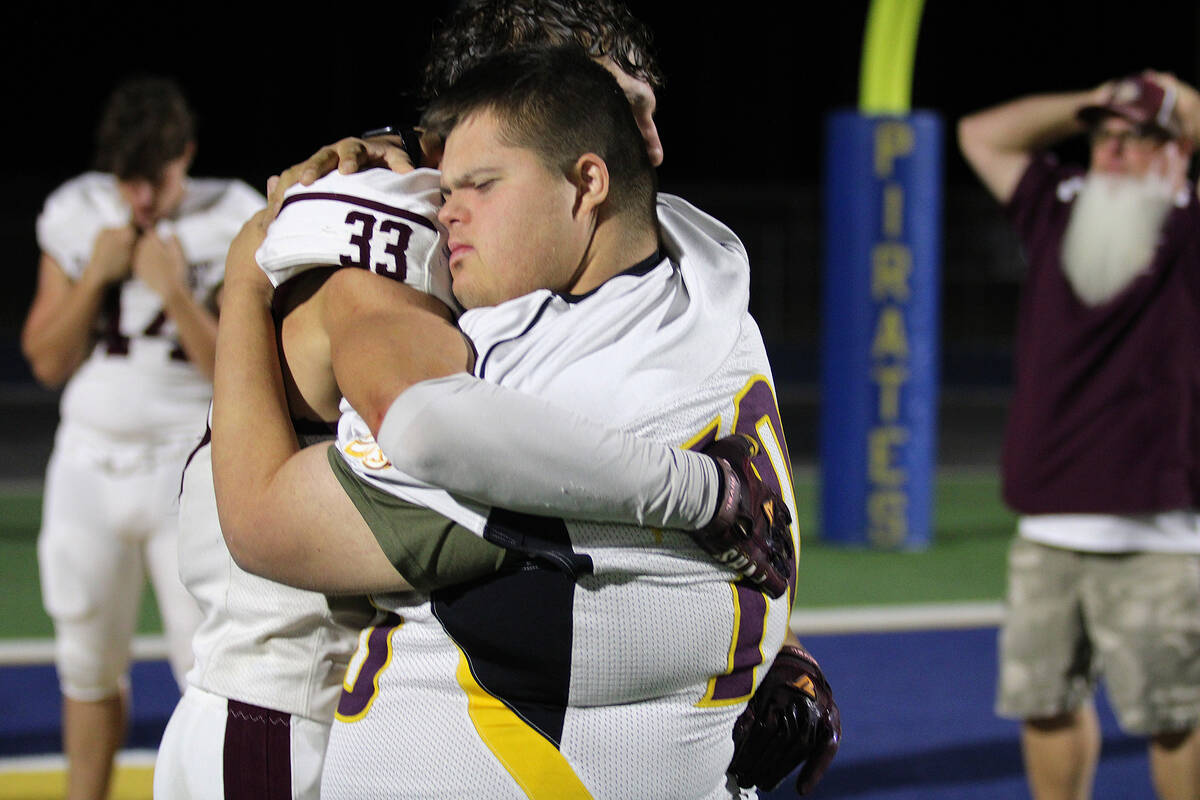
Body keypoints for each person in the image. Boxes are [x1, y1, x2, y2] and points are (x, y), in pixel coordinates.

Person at [157, 2, 825, 797]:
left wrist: (755, 635)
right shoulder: (387, 221)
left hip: (372, 662)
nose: (647, 138)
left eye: (644, 110)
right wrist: (700, 498)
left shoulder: (648, 264)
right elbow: (435, 438)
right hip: (283, 693)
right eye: (614, 105)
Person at [19, 76, 264, 799]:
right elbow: (46, 359)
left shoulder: (236, 217)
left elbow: (240, 369)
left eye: (156, 181)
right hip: (88, 465)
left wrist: (177, 292)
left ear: (185, 155)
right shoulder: (77, 213)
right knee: (85, 662)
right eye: (130, 183)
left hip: (187, 468)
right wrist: (95, 275)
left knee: (209, 668)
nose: (144, 203)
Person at [958, 72, 1200, 800]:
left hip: (1159, 527)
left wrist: (1181, 101)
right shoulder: (1062, 207)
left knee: (1175, 716)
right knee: (1045, 702)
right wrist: (1091, 100)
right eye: (1105, 137)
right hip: (1049, 520)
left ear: (1177, 150)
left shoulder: (1190, 220)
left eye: (1137, 138)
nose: (1114, 152)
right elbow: (982, 133)